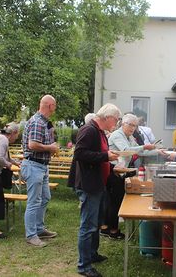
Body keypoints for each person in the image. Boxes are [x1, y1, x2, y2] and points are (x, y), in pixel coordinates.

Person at [68, 103, 121, 277]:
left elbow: (99, 154)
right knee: (88, 226)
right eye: (116, 119)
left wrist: (109, 159)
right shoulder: (89, 129)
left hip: (99, 184)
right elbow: (80, 154)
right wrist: (106, 156)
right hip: (89, 185)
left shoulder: (100, 132)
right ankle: (84, 266)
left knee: (96, 223)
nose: (116, 123)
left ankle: (92, 254)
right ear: (107, 117)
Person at [100, 113, 158, 240]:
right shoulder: (118, 134)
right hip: (113, 170)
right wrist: (144, 146)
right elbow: (127, 149)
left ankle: (106, 228)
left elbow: (139, 150)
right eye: (130, 125)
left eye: (135, 126)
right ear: (123, 124)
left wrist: (158, 151)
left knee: (113, 200)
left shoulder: (129, 136)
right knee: (114, 201)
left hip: (120, 170)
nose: (133, 128)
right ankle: (112, 230)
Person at [21, 94, 59, 247]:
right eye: (54, 106)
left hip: (41, 166)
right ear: (49, 105)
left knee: (45, 197)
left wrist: (52, 147)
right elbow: (32, 145)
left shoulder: (44, 122)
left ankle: (39, 228)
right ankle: (31, 235)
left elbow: (42, 143)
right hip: (34, 166)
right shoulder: (37, 122)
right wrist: (50, 148)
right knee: (34, 201)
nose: (55, 109)